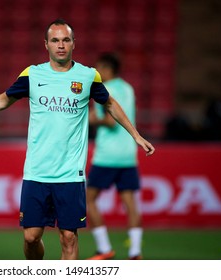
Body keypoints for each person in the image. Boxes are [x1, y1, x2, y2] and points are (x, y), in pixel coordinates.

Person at [0, 19, 155, 260]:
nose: (61, 45)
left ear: (74, 43)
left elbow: (110, 104)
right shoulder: (33, 74)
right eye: (55, 40)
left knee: (69, 238)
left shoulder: (88, 76)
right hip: (36, 172)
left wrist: (135, 135)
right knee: (31, 237)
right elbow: (3, 100)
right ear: (46, 44)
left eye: (66, 40)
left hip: (70, 174)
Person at [86, 53, 143, 260]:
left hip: (107, 155)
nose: (96, 72)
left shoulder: (104, 90)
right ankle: (135, 252)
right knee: (130, 204)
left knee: (88, 200)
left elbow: (110, 122)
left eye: (99, 67)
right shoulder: (128, 88)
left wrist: (93, 120)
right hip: (128, 154)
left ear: (107, 69)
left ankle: (104, 248)